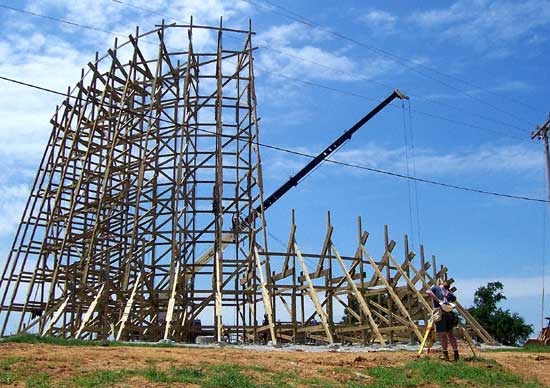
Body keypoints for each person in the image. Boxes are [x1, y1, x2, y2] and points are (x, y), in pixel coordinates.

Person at [427, 279, 459, 361]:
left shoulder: (436, 288)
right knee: (450, 335)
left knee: (443, 335)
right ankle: (456, 354)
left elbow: (428, 292)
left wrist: (438, 300)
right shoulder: (448, 292)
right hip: (449, 313)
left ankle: (445, 354)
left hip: (440, 313)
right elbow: (454, 299)